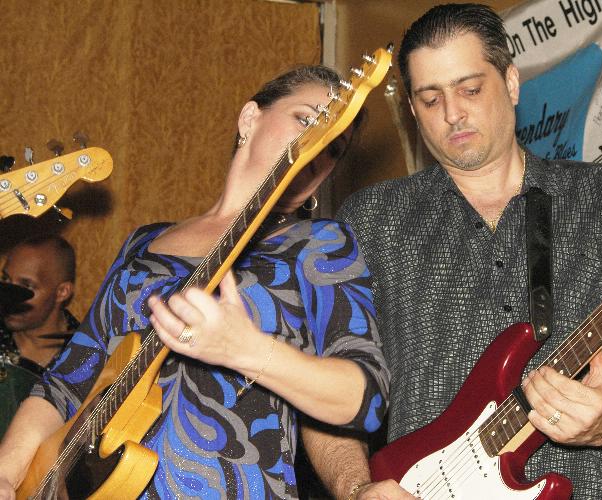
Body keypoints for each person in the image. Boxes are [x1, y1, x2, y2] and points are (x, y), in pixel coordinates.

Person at [302, 4, 602, 499]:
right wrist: (356, 488)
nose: (452, 114)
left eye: (470, 89)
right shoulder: (370, 220)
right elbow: (326, 386)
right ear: (412, 109)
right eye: (430, 99)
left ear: (511, 83)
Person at [0, 64, 389, 499]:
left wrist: (246, 350)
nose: (318, 149)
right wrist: (7, 474)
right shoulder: (144, 242)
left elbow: (365, 398)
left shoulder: (320, 244)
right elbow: (68, 379)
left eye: (334, 148)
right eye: (306, 119)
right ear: (249, 118)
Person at [0, 235, 78, 439]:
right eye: (6, 280)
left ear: (62, 292)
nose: (10, 296)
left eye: (26, 286)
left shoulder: (84, 358)